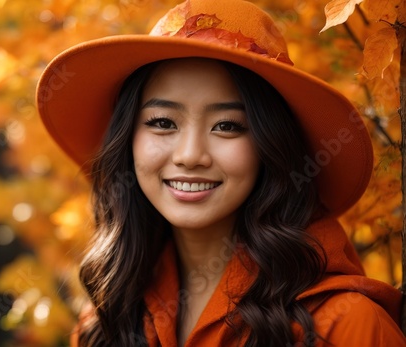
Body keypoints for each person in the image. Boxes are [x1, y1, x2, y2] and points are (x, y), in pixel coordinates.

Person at [36, 0, 405, 346]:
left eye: (227, 126)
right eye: (163, 122)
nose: (190, 155)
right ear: (128, 138)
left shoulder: (347, 326)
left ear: (270, 145)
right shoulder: (104, 325)